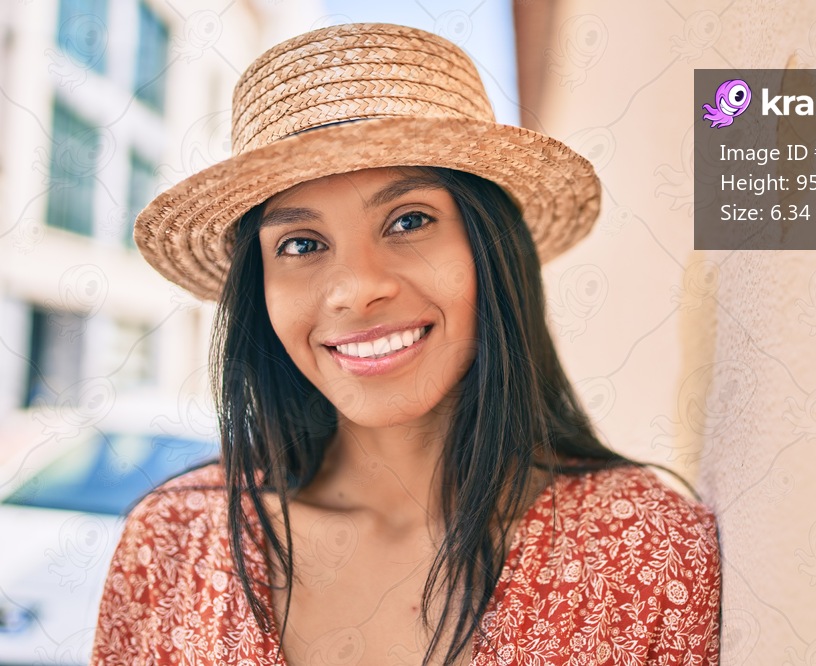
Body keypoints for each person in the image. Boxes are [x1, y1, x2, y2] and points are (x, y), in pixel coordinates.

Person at [90, 23, 721, 666]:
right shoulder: (168, 544)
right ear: (261, 291)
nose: (358, 290)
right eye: (301, 245)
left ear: (488, 247)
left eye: (409, 220)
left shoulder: (642, 544)